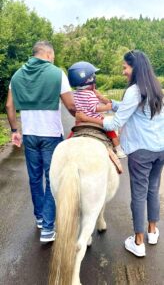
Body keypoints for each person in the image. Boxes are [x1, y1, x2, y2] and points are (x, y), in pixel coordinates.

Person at [76, 50, 164, 257]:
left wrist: (86, 118)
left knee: (139, 194)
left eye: (125, 67)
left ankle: (138, 242)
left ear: (135, 68)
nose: (123, 71)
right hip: (159, 149)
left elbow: (115, 122)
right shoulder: (154, 87)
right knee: (153, 189)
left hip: (141, 151)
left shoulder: (134, 90)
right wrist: (107, 101)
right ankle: (152, 231)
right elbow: (131, 108)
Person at [6, 41, 76, 243]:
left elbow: (9, 105)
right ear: (47, 54)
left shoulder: (17, 75)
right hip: (51, 135)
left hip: (29, 134)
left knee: (35, 178)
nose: (53, 60)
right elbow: (70, 105)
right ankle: (47, 227)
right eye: (52, 56)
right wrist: (83, 117)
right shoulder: (56, 73)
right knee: (52, 179)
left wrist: (14, 130)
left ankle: (39, 218)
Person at [68, 61, 126, 159]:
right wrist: (107, 107)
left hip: (80, 121)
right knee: (111, 130)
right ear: (89, 80)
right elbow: (95, 108)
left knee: (72, 135)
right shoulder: (90, 94)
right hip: (95, 120)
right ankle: (119, 149)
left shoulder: (74, 93)